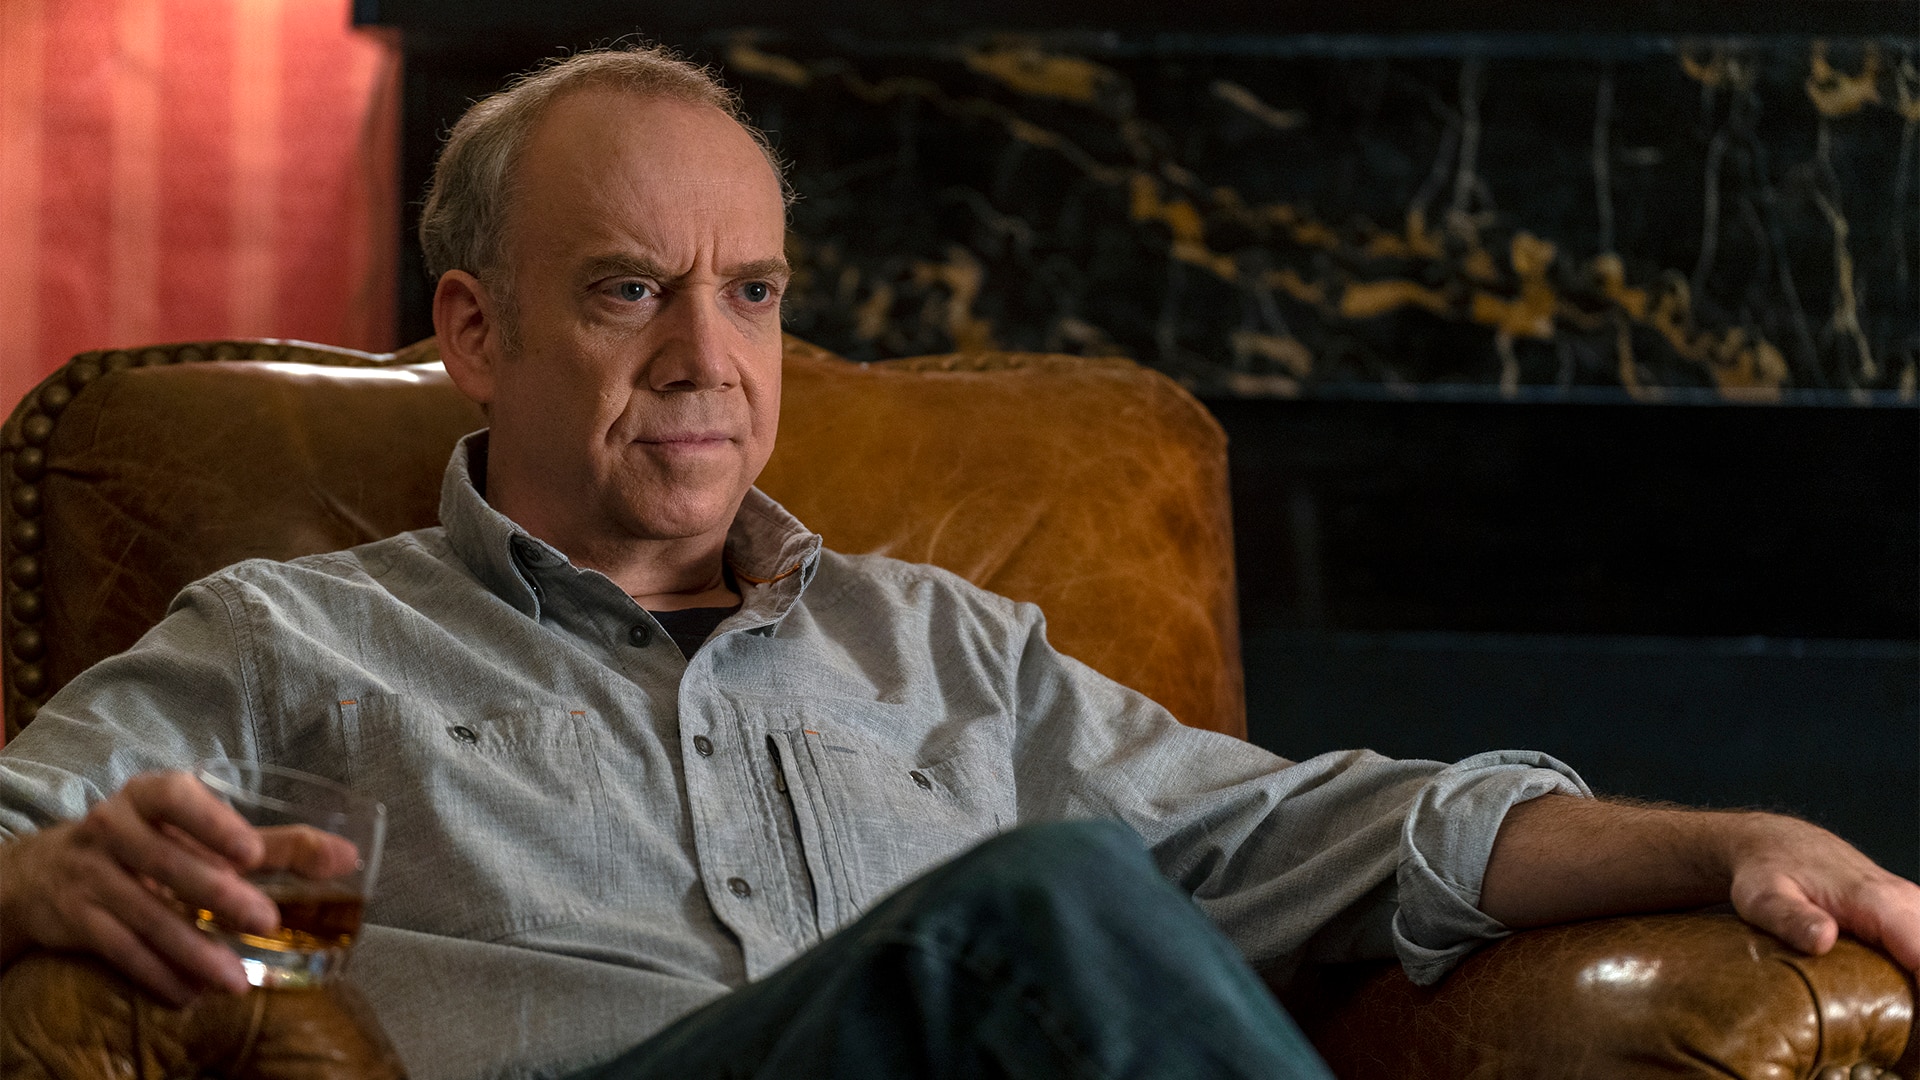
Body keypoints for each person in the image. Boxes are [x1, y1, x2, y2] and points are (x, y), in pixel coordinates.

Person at [0, 45, 1915, 1080]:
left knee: (1072, 905)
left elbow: (1321, 829)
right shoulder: (293, 640)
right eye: (630, 290)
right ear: (477, 333)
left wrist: (1727, 842)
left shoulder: (941, 650)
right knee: (1038, 915)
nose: (711, 358)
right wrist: (32, 874)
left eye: (754, 292)